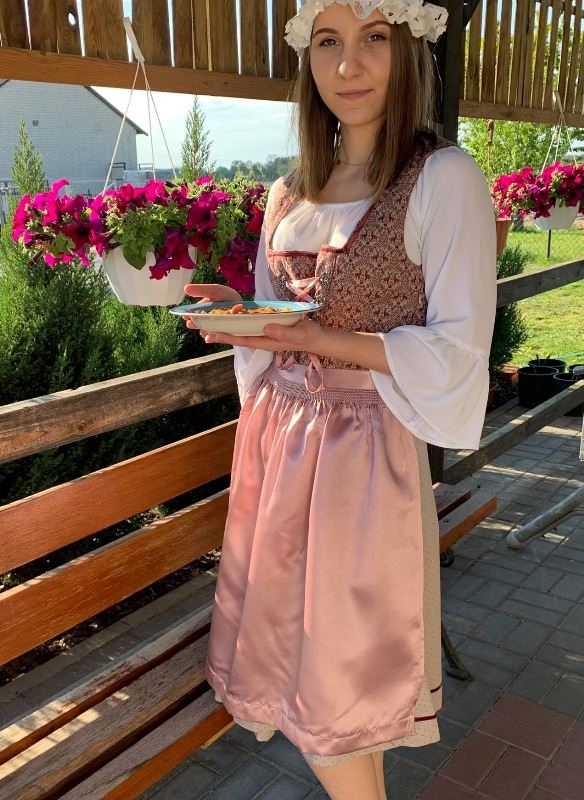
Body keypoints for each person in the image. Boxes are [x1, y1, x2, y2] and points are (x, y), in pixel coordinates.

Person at [182, 2, 497, 798]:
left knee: (339, 691)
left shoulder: (443, 178)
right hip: (278, 453)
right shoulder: (288, 193)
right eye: (328, 42)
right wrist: (242, 314)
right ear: (308, 58)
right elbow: (278, 325)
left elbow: (460, 353)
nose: (348, 66)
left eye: (373, 39)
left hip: (362, 465)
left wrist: (323, 340)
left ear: (409, 50)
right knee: (306, 687)